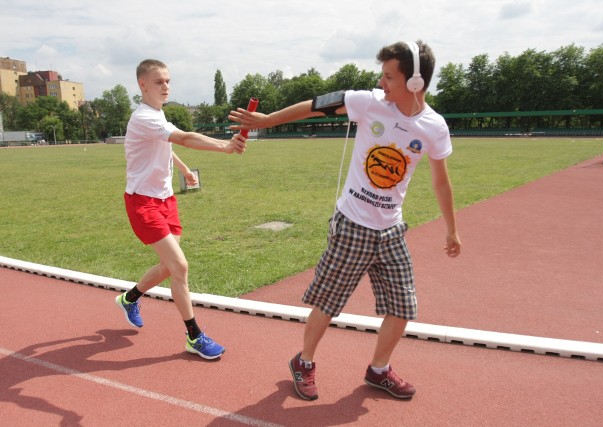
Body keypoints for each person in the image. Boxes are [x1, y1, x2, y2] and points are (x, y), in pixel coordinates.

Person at [229, 40, 461, 400]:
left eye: (389, 76)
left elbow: (441, 180)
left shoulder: (434, 126)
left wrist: (452, 229)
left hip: (391, 231)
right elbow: (315, 105)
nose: (381, 82)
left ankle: (378, 370)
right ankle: (303, 362)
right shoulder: (368, 102)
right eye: (381, 75)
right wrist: (267, 121)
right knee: (328, 303)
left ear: (415, 82)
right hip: (352, 224)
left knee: (403, 307)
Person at [115, 59, 246, 360]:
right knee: (180, 267)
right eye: (159, 81)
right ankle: (194, 336)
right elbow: (184, 138)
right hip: (143, 202)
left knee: (167, 267)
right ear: (143, 85)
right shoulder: (144, 117)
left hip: (165, 200)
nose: (166, 86)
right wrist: (225, 146)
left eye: (168, 81)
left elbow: (167, 147)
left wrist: (184, 170)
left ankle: (129, 298)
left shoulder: (156, 117)